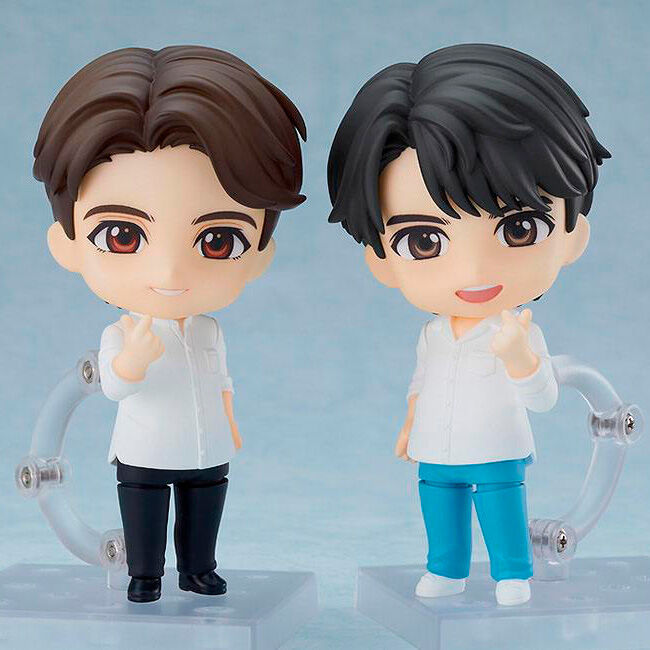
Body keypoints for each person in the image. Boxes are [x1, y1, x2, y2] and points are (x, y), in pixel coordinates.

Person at [327, 43, 609, 606]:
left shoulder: (518, 331)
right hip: (436, 445)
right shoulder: (432, 335)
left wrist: (520, 359)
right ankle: (446, 570)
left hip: (499, 446)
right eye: (423, 241)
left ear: (572, 235)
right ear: (380, 258)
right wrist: (410, 425)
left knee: (501, 508)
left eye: (519, 229)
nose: (473, 271)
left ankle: (512, 572)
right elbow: (421, 382)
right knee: (440, 509)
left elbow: (544, 397)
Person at [33, 45, 306, 603]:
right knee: (145, 512)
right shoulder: (121, 333)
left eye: (218, 240)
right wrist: (130, 363)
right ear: (68, 244)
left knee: (205, 506)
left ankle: (199, 569)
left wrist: (230, 423)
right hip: (145, 448)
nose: (170, 273)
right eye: (122, 236)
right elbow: (114, 385)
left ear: (259, 252)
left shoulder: (208, 331)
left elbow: (222, 380)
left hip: (207, 445)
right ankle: (145, 574)